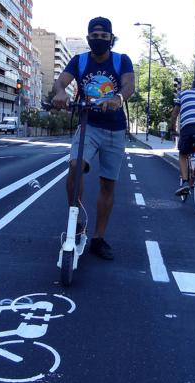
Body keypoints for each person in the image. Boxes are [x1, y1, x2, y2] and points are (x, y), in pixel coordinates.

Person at [52, 16, 135, 260]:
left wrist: (117, 99)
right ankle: (75, 220)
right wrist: (59, 93)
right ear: (89, 38)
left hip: (115, 129)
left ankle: (98, 238)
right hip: (89, 124)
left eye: (104, 36)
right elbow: (62, 82)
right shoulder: (79, 60)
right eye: (94, 36)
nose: (99, 40)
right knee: (75, 167)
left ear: (111, 38)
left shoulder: (121, 60)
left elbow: (129, 86)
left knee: (107, 184)